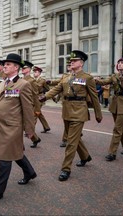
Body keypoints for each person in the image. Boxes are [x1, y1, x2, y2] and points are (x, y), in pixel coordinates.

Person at [0, 53, 37, 205]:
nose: (4, 66)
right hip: (0, 126)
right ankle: (30, 172)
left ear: (16, 67)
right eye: (4, 64)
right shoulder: (2, 83)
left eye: (8, 64)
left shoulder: (23, 85)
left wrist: (30, 130)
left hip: (12, 128)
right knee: (16, 153)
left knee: (5, 158)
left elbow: (28, 109)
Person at [40, 50, 102, 181]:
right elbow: (56, 89)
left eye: (74, 61)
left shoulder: (87, 78)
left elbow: (94, 97)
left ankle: (66, 169)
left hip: (79, 111)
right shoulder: (66, 77)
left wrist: (98, 113)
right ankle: (85, 156)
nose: (71, 62)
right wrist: (44, 97)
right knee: (74, 138)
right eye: (71, 61)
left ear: (81, 63)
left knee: (71, 142)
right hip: (67, 110)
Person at [95, 57, 123, 161]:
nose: (120, 64)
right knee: (121, 126)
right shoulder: (114, 76)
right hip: (115, 103)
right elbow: (103, 82)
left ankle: (112, 153)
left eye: (122, 63)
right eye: (118, 63)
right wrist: (95, 80)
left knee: (117, 128)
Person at [22, 60, 41, 148]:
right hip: (22, 106)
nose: (22, 69)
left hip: (30, 106)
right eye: (22, 67)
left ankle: (34, 139)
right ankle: (35, 139)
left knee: (27, 125)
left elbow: (35, 96)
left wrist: (37, 110)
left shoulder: (31, 81)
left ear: (29, 69)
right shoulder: (20, 79)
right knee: (23, 125)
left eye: (24, 67)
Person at [33, 65, 51, 133]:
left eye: (36, 72)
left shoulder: (43, 81)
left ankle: (31, 130)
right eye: (34, 72)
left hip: (40, 99)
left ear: (39, 73)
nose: (34, 73)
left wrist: (44, 95)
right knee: (39, 113)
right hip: (34, 98)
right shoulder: (33, 80)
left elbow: (48, 89)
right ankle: (46, 127)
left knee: (35, 113)